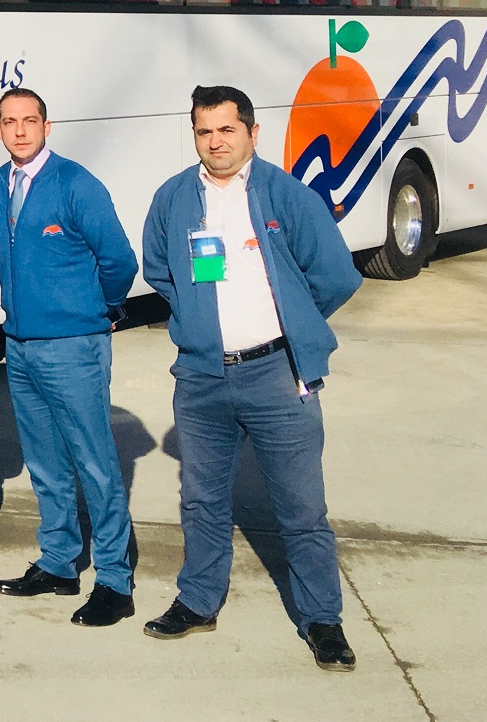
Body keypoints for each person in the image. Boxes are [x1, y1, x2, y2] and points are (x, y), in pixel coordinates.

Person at [140, 84, 363, 671]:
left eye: (226, 130)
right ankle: (198, 601)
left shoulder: (286, 196)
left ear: (252, 133)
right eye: (203, 132)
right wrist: (196, 316)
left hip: (277, 374)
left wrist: (292, 319)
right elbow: (158, 269)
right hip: (202, 377)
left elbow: (337, 275)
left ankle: (323, 620)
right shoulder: (173, 199)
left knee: (300, 507)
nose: (215, 143)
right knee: (202, 499)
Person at [0, 87, 141, 626]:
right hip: (20, 346)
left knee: (94, 464)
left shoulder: (76, 184)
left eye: (30, 121)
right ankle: (58, 563)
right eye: (9, 122)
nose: (20, 130)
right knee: (46, 464)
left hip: (73, 347)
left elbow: (119, 260)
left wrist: (100, 311)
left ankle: (115, 581)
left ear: (47, 126)